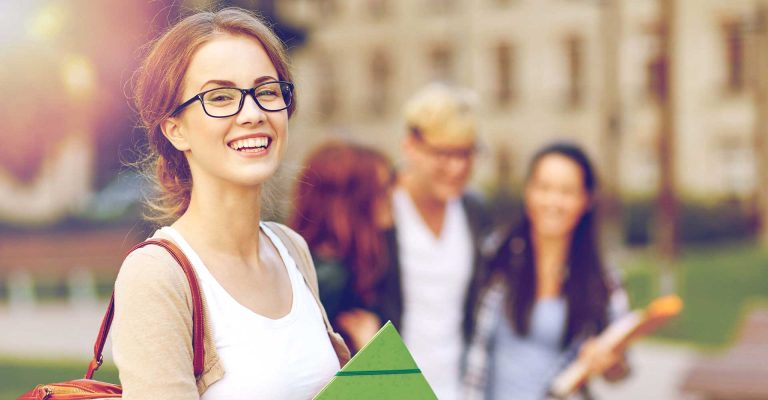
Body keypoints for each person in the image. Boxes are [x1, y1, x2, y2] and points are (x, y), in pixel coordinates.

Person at [111, 8, 349, 399]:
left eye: (267, 91)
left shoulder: (291, 249)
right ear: (175, 129)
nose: (253, 113)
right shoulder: (156, 277)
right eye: (220, 97)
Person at [464, 143, 630, 400]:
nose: (553, 201)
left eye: (567, 191)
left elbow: (621, 369)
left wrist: (609, 362)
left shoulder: (602, 281)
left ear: (586, 200)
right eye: (544, 188)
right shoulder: (494, 259)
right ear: (528, 192)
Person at [387, 83, 491, 400]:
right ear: (411, 146)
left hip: (455, 390)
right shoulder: (381, 209)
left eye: (466, 153)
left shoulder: (472, 209)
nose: (458, 167)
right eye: (443, 154)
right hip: (389, 389)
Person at [290, 140, 397, 352]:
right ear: (353, 200)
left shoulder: (356, 260)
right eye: (383, 190)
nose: (392, 197)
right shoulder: (327, 277)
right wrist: (374, 350)